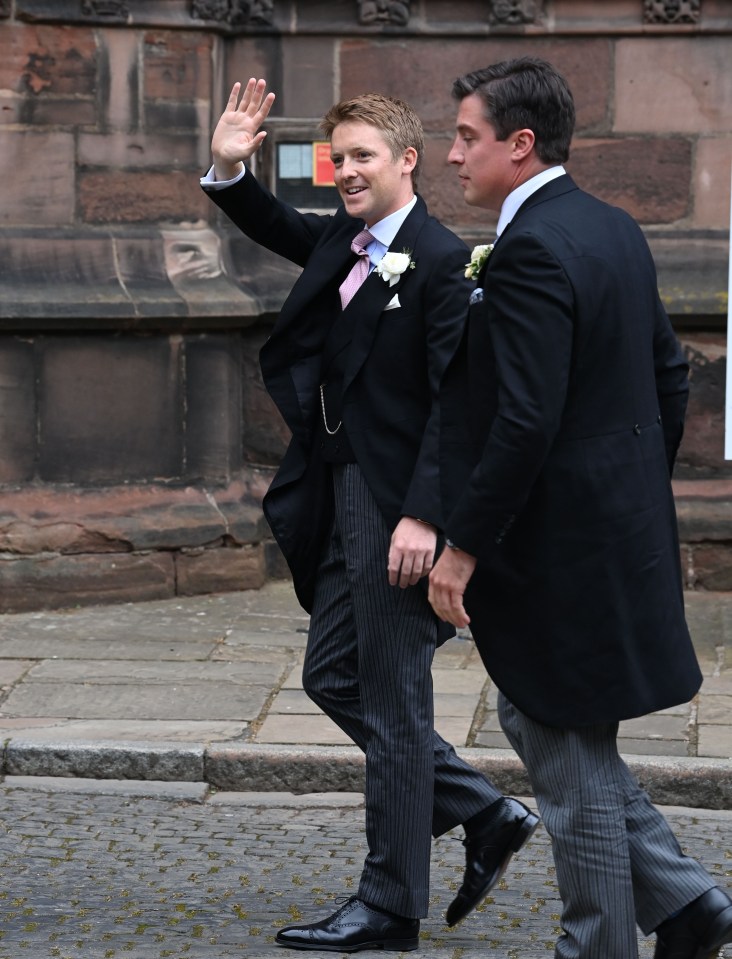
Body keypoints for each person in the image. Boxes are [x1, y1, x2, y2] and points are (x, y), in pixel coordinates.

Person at [200, 79, 539, 952]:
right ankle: (480, 808)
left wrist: (425, 517)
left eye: (362, 157)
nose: (346, 171)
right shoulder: (345, 243)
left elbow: (455, 407)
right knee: (331, 675)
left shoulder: (440, 261)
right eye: (337, 157)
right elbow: (275, 226)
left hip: (398, 513)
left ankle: (388, 906)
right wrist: (231, 169)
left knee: (392, 705)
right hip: (340, 495)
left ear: (407, 161)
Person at [428, 56, 732, 959]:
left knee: (565, 753)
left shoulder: (530, 246)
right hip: (615, 529)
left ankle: (599, 946)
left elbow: (523, 421)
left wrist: (463, 548)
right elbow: (667, 372)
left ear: (521, 146)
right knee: (546, 723)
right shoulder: (614, 226)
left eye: (466, 138)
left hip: (560, 547)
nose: (450, 156)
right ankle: (683, 902)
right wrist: (630, 480)